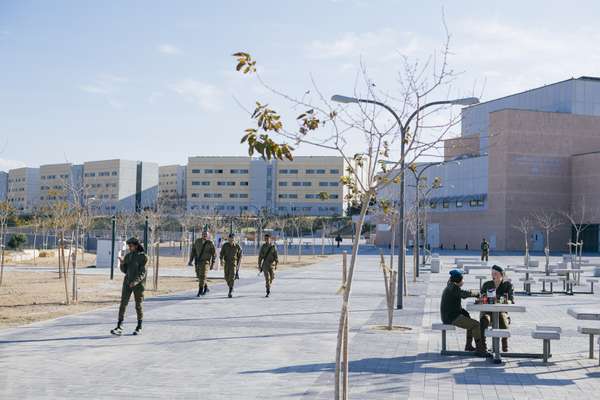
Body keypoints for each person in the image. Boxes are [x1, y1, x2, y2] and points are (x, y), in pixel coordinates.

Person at [440, 269, 488, 356]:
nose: (463, 281)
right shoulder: (453, 288)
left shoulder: (451, 286)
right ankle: (480, 349)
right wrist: (476, 293)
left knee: (469, 319)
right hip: (451, 317)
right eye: (462, 279)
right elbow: (464, 294)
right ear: (458, 280)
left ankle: (468, 345)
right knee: (476, 324)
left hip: (450, 315)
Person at [111, 238, 148, 336]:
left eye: (131, 246)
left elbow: (142, 273)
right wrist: (122, 264)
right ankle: (119, 326)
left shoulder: (143, 257)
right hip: (127, 283)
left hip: (138, 286)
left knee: (138, 305)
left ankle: (139, 326)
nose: (129, 248)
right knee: (123, 304)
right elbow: (125, 270)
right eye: (128, 246)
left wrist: (135, 282)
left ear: (136, 246)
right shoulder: (128, 256)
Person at [480, 265, 514, 352]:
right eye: (492, 273)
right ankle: (482, 345)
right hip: (487, 310)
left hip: (501, 310)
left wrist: (505, 301)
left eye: (495, 273)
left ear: (501, 274)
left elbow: (511, 299)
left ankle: (504, 342)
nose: (493, 275)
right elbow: (481, 297)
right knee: (484, 320)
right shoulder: (487, 284)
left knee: (502, 318)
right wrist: (484, 299)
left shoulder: (507, 285)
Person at [188, 230, 216, 297]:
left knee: (203, 276)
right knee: (199, 276)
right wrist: (190, 261)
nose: (204, 236)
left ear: (208, 236)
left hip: (205, 262)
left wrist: (212, 264)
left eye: (206, 235)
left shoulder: (210, 243)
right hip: (198, 262)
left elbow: (214, 254)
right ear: (201, 235)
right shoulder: (197, 241)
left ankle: (200, 291)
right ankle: (206, 287)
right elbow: (193, 252)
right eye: (203, 234)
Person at [220, 233, 242, 298]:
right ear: (228, 239)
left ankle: (230, 291)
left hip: (233, 264)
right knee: (226, 277)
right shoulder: (225, 245)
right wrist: (221, 260)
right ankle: (231, 286)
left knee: (232, 277)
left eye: (232, 239)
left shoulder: (237, 246)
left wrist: (238, 266)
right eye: (230, 239)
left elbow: (240, 257)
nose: (231, 240)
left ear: (234, 239)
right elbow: (221, 254)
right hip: (226, 263)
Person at [258, 233, 278, 298]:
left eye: (267, 239)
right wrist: (259, 265)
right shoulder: (263, 247)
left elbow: (276, 256)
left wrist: (276, 264)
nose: (266, 240)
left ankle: (269, 284)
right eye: (265, 239)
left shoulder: (273, 247)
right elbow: (260, 257)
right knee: (267, 277)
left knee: (272, 277)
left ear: (270, 239)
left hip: (271, 264)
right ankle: (268, 290)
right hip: (265, 265)